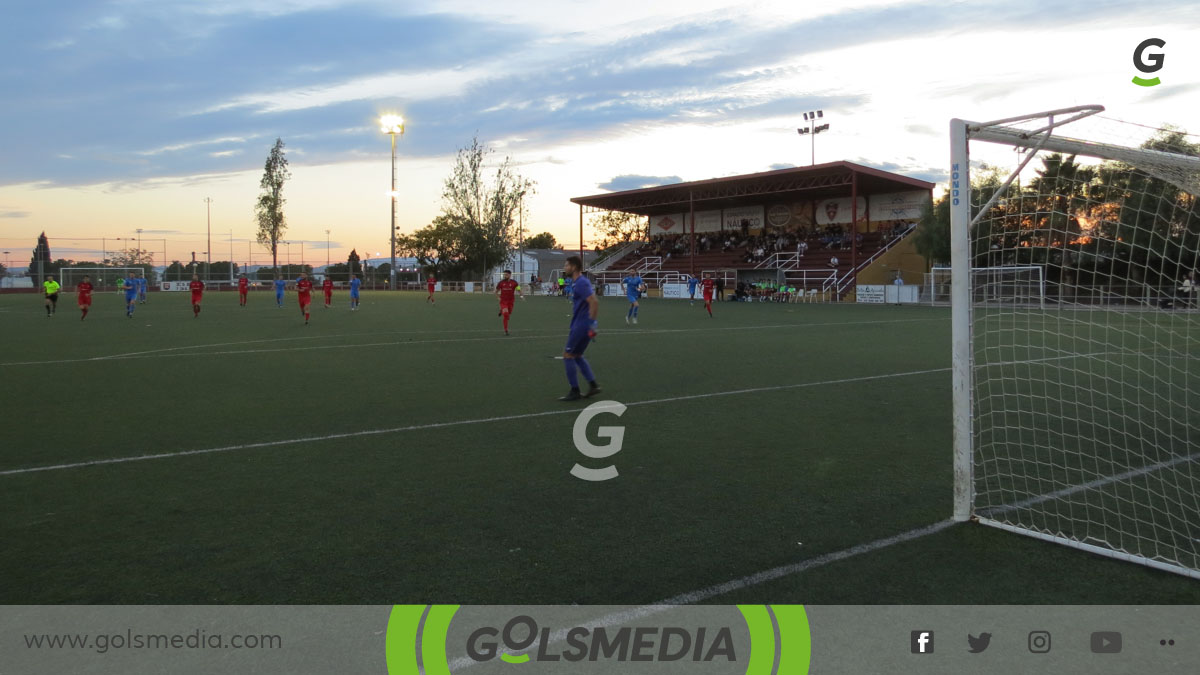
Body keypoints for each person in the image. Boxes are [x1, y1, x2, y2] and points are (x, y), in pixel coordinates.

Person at [559, 256, 601, 401]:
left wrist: (592, 323)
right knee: (577, 356)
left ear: (574, 267)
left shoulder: (581, 282)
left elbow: (594, 301)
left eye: (567, 265)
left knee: (568, 355)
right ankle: (593, 385)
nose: (565, 268)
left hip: (581, 325)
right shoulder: (577, 282)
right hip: (581, 324)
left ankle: (575, 390)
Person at [494, 270, 524, 335]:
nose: (505, 276)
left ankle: (501, 310)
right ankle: (506, 330)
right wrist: (498, 297)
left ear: (510, 275)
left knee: (509, 313)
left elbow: (519, 290)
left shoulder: (514, 282)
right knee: (506, 315)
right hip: (503, 302)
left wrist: (521, 296)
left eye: (506, 275)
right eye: (504, 275)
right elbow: (496, 292)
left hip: (511, 301)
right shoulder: (501, 283)